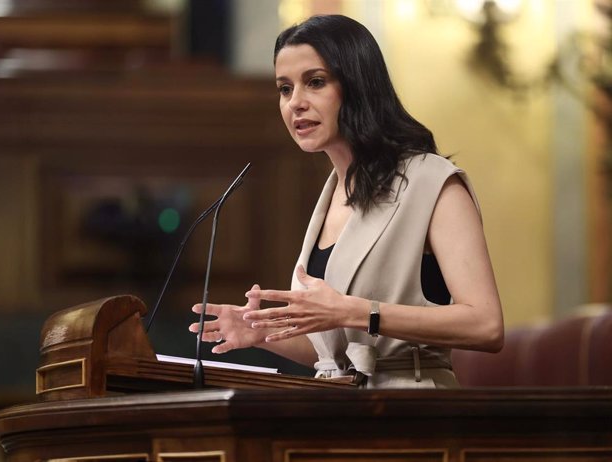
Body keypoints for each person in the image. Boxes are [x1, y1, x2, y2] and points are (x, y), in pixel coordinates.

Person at [190, 14, 503, 388]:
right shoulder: (332, 193)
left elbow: (486, 325)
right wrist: (261, 332)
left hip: (414, 412)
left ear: (357, 86)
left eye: (315, 82)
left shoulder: (432, 182)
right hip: (336, 412)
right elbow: (335, 349)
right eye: (285, 89)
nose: (295, 103)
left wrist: (360, 312)